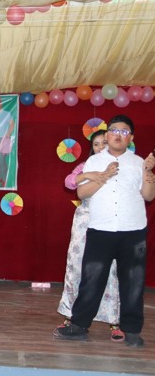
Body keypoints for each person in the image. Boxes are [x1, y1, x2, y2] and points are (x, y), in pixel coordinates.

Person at [55, 115, 155, 348]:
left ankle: (131, 330)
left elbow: (149, 195)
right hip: (101, 229)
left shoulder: (139, 162)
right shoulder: (93, 162)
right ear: (107, 134)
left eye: (124, 131)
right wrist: (104, 176)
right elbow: (81, 194)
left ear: (130, 137)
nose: (118, 135)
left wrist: (149, 174)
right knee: (91, 279)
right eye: (114, 130)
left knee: (133, 282)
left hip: (133, 230)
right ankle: (79, 325)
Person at [56, 130, 123, 341]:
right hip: (85, 221)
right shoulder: (85, 165)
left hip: (110, 222)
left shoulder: (120, 167)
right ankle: (71, 315)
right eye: (96, 144)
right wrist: (87, 174)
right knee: (76, 266)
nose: (101, 147)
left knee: (110, 269)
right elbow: (69, 182)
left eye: (105, 142)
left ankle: (114, 320)